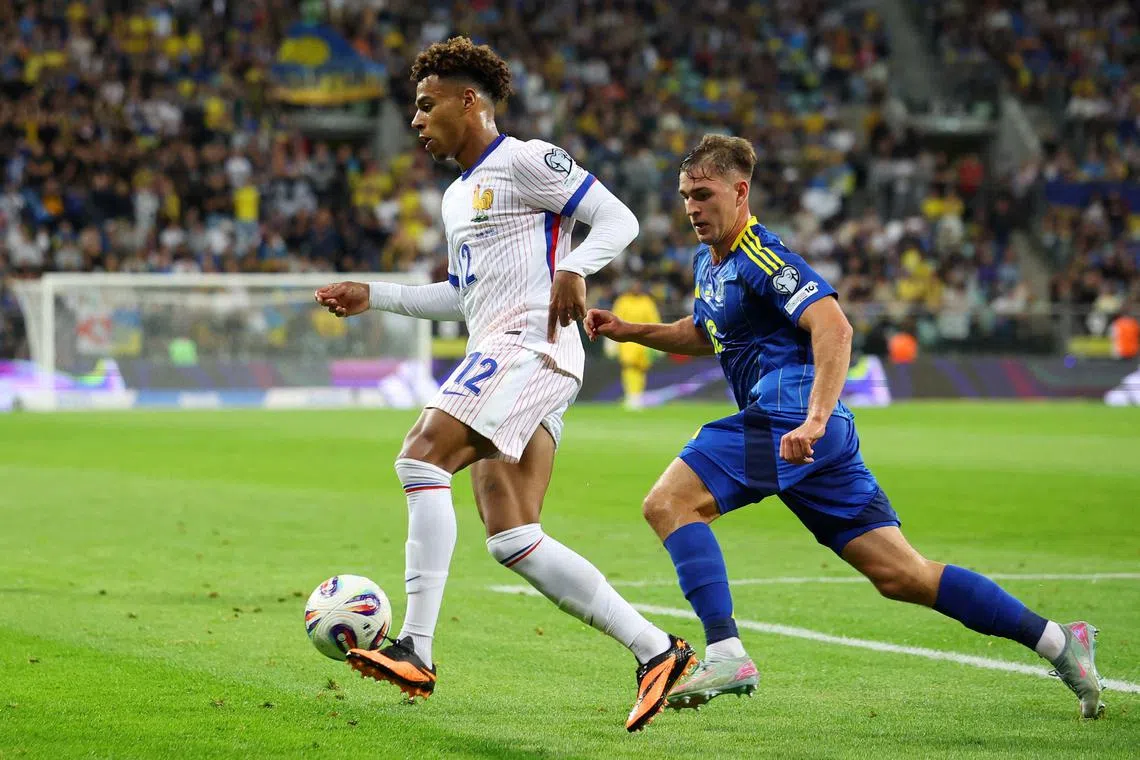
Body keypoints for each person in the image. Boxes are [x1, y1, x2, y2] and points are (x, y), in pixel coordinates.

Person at [584, 134, 1106, 719]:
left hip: (793, 418)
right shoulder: (710, 262)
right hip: (809, 440)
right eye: (684, 196)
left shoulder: (763, 254)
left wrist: (813, 418)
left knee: (669, 504)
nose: (691, 208)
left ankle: (726, 649)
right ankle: (1062, 643)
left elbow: (834, 327)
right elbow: (708, 333)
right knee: (902, 574)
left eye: (703, 194)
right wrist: (633, 330)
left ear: (740, 190)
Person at [314, 37, 693, 732]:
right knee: (513, 536)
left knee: (421, 455)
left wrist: (575, 268)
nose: (417, 121)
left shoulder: (525, 160)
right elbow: (460, 295)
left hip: (531, 344)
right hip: (508, 346)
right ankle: (656, 650)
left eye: (427, 106)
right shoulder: (457, 198)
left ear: (470, 101)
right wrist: (376, 294)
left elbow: (619, 218)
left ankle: (416, 651)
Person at [610, 280, 661, 409]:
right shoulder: (623, 301)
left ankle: (637, 396)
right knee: (628, 368)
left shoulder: (647, 301)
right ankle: (631, 395)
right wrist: (611, 342)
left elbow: (654, 320)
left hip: (642, 341)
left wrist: (657, 340)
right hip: (626, 341)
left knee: (641, 370)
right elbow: (614, 319)